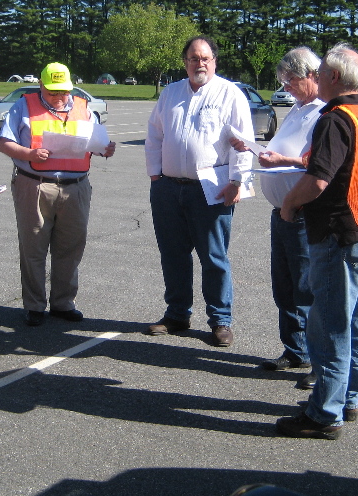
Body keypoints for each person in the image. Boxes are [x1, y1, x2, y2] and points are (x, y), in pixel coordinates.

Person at [275, 43, 358, 439]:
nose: (317, 76)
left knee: (328, 328)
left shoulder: (335, 119)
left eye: (321, 72)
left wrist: (290, 205)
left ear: (333, 78)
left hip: (343, 236)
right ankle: (347, 398)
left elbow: (318, 180)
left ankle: (325, 414)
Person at [144, 35, 253, 346]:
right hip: (168, 187)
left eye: (205, 58)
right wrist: (155, 176)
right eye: (193, 58)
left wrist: (237, 181)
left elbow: (243, 142)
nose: (199, 63)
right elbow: (155, 135)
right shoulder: (171, 93)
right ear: (185, 62)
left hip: (212, 189)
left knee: (214, 257)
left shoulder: (230, 94)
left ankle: (220, 320)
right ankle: (177, 314)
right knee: (173, 254)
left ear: (214, 61)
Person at [230, 47, 324, 389]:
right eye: (284, 80)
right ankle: (295, 349)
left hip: (304, 213)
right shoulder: (298, 109)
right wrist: (256, 150)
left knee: (308, 289)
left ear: (313, 75)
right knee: (284, 286)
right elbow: (287, 154)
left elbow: (317, 165)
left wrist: (281, 159)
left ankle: (319, 361)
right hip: (281, 212)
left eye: (292, 80)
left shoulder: (324, 112)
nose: (288, 87)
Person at [0, 62, 115, 326]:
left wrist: (105, 149)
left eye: (63, 92)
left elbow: (97, 143)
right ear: (41, 85)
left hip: (76, 187)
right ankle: (35, 306)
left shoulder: (84, 109)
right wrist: (27, 153)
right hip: (35, 184)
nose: (59, 97)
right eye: (53, 92)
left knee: (70, 248)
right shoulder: (22, 106)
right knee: (33, 248)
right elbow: (4, 142)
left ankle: (63, 303)